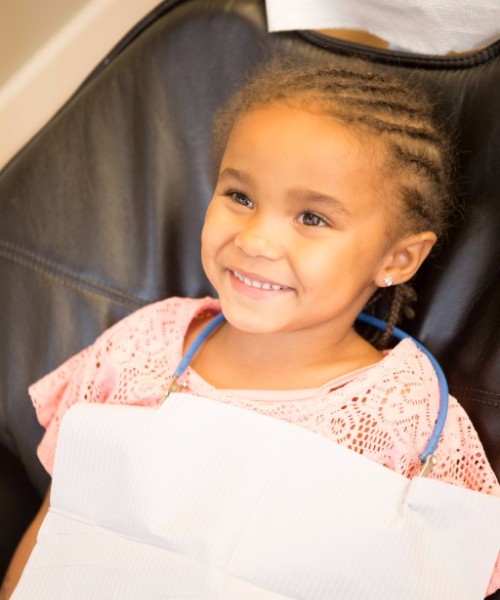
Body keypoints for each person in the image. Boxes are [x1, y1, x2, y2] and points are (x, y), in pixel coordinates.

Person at [2, 62, 500, 599]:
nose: (256, 239)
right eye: (240, 197)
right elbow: (62, 518)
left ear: (399, 258)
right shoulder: (144, 348)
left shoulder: (408, 418)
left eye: (312, 217)